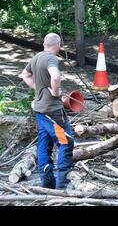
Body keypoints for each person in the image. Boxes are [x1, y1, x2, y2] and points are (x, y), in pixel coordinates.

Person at [19, 33, 74, 189]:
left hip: (40, 110)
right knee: (66, 142)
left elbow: (24, 75)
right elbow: (55, 77)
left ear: (44, 44)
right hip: (53, 111)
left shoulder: (36, 57)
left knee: (44, 144)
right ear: (57, 45)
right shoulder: (51, 58)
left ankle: (47, 181)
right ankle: (63, 183)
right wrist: (55, 93)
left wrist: (40, 89)